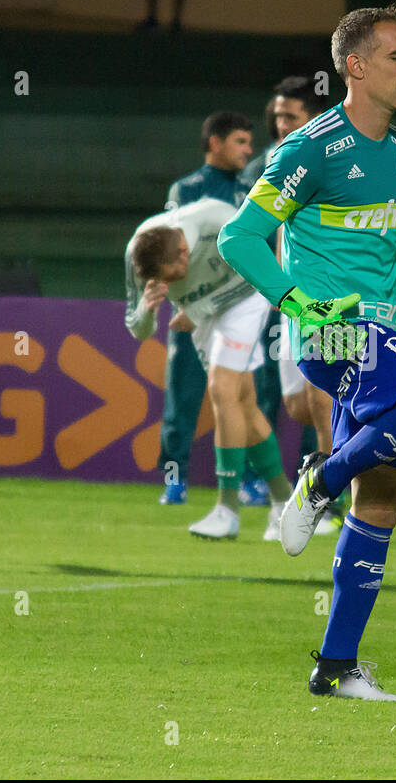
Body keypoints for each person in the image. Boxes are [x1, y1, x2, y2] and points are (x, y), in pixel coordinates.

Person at [220, 6, 396, 701]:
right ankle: (322, 478)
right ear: (357, 66)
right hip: (334, 332)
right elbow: (241, 239)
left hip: (383, 330)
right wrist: (294, 302)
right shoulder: (310, 147)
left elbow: (393, 255)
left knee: (384, 502)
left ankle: (336, 666)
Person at [124, 198, 294, 540]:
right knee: (242, 404)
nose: (166, 285)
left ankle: (227, 509)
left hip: (244, 299)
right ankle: (285, 505)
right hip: (197, 311)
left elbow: (265, 270)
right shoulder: (137, 253)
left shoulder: (217, 220)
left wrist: (199, 310)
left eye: (170, 277)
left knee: (221, 389)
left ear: (185, 251)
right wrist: (146, 308)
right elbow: (138, 328)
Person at [240, 75, 345, 534]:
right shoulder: (272, 163)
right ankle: (339, 470)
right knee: (297, 405)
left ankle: (323, 497)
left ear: (314, 118)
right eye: (278, 116)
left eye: (291, 117)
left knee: (320, 399)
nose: (281, 124)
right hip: (286, 299)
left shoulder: (330, 159)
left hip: (324, 294)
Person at [157, 111, 258, 506]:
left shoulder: (252, 190)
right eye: (240, 142)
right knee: (183, 394)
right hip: (191, 308)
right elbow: (169, 251)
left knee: (246, 395)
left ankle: (249, 480)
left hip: (239, 306)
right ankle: (174, 478)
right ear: (215, 143)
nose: (248, 151)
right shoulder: (186, 190)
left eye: (250, 144)